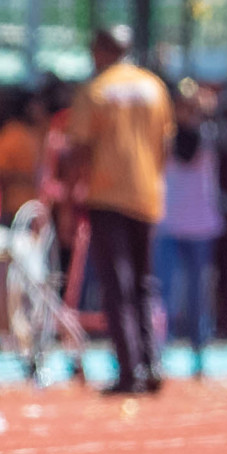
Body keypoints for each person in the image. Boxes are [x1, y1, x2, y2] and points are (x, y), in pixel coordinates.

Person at [65, 27, 174, 395]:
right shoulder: (154, 87)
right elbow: (166, 141)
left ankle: (130, 371)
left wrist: (69, 196)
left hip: (108, 194)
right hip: (146, 197)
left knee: (117, 286)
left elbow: (80, 148)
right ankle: (152, 364)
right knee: (144, 284)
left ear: (102, 50)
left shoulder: (95, 90)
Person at [154, 78, 225, 375]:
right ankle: (159, 350)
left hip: (201, 225)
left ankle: (199, 351)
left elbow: (225, 139)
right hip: (167, 223)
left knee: (198, 294)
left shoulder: (210, 133)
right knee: (164, 292)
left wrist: (208, 113)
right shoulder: (162, 137)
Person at [0, 89, 47, 226]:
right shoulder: (12, 134)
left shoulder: (38, 131)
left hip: (34, 207)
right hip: (13, 208)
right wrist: (23, 177)